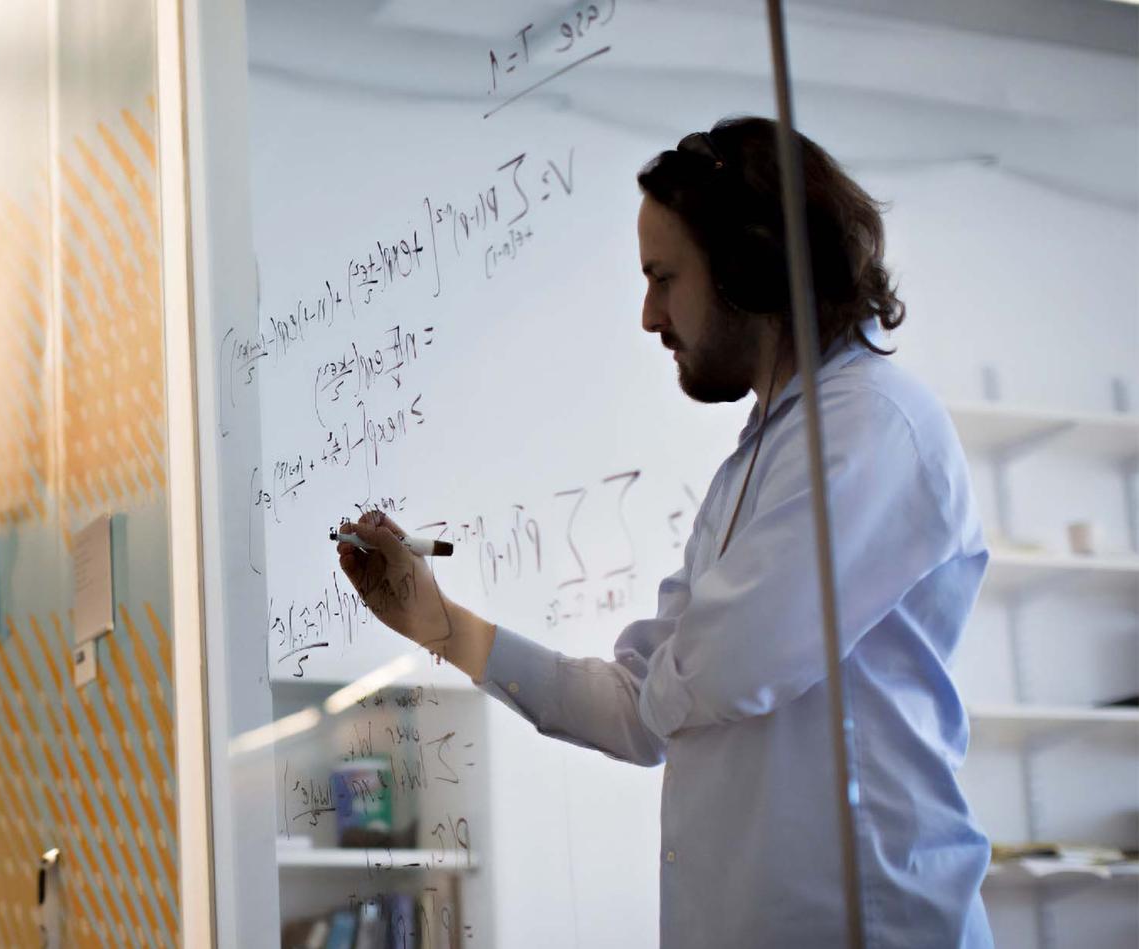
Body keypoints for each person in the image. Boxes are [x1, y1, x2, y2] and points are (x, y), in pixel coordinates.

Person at [336, 116, 993, 948]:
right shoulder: (757, 459)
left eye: (663, 277)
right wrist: (435, 622)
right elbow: (642, 711)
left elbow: (726, 667)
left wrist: (666, 677)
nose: (650, 315)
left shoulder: (871, 430)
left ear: (750, 267)